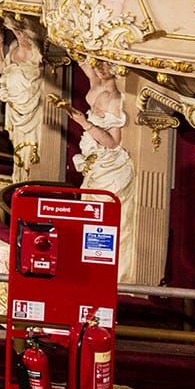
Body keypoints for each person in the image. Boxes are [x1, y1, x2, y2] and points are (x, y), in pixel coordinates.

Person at [71, 58, 137, 280]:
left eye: (107, 63)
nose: (100, 67)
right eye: (98, 62)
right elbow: (83, 62)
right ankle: (91, 266)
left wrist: (85, 124)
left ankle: (107, 273)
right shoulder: (96, 85)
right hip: (94, 164)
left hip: (109, 166)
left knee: (104, 216)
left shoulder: (116, 100)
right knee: (90, 212)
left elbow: (112, 142)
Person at [0, 22, 45, 177]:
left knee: (32, 146)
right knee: (18, 144)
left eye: (21, 32)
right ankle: (20, 176)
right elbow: (4, 70)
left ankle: (30, 177)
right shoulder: (13, 48)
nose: (19, 36)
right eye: (16, 32)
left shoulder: (37, 52)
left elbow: (40, 76)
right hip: (14, 106)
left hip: (31, 107)